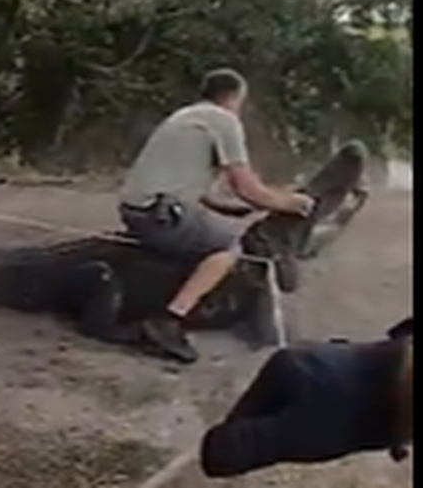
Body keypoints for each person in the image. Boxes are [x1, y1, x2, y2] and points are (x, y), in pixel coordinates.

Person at [118, 68, 314, 363]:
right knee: (228, 246)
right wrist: (290, 203)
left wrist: (232, 209)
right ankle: (169, 320)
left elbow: (194, 186)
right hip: (157, 215)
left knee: (215, 230)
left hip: (135, 209)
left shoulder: (187, 116)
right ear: (235, 97)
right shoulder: (224, 120)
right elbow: (246, 186)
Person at [200, 319, 413, 478]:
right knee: (223, 453)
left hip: (324, 361)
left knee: (234, 441)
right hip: (342, 409)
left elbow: (401, 331)